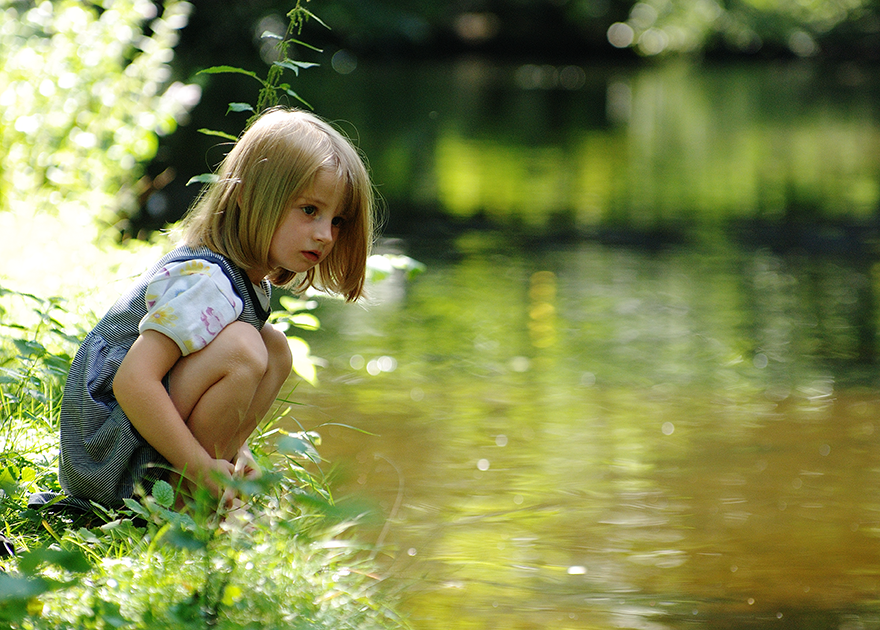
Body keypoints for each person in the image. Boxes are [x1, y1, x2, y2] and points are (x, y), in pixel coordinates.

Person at [56, 107, 375, 510]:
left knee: (274, 346)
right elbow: (133, 381)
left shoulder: (247, 282)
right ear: (248, 195)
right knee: (245, 346)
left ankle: (203, 491)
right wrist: (200, 466)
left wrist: (236, 455)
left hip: (131, 440)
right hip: (102, 456)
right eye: (310, 210)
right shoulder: (207, 279)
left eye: (338, 220)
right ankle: (185, 505)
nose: (325, 235)